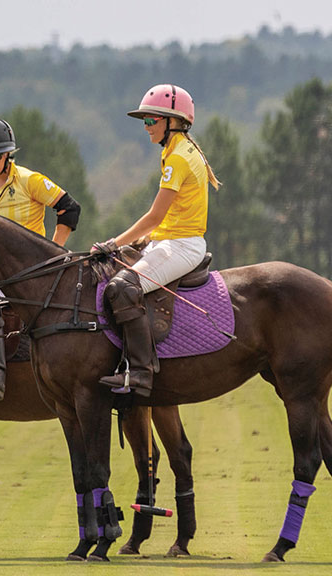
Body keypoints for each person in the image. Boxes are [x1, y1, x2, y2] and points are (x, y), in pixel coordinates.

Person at [95, 84, 221, 397]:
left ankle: (140, 372)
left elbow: (155, 215)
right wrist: (138, 243)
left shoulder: (178, 157)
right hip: (170, 240)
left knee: (122, 288)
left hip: (182, 246)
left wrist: (114, 243)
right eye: (145, 121)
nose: (147, 127)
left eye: (151, 121)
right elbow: (169, 217)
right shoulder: (174, 150)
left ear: (172, 121)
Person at [0, 118, 81, 401]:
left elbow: (69, 209)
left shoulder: (30, 180)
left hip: (30, 268)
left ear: (6, 155)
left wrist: (52, 252)